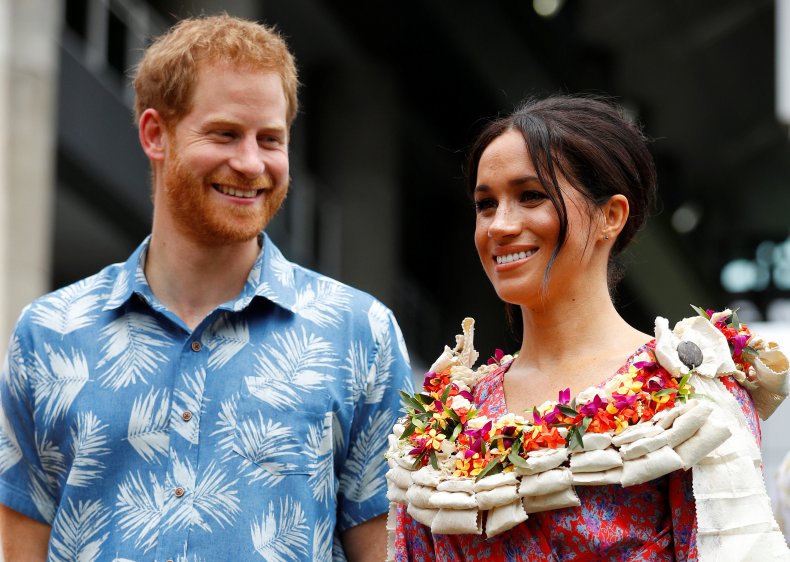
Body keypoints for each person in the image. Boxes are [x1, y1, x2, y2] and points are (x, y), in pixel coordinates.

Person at [0, 14, 412, 561]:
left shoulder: (362, 335)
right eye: (224, 134)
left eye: (270, 139)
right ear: (155, 134)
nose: (250, 163)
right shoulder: (49, 333)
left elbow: (385, 551)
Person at [387, 95, 790, 561]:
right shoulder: (446, 420)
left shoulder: (687, 395)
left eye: (530, 196)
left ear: (611, 216)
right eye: (485, 203)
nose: (499, 225)